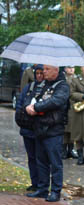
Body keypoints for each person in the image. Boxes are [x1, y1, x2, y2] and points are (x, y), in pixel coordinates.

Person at [25, 64, 69, 202]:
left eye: (47, 69)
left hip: (54, 129)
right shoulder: (42, 84)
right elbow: (30, 95)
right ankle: (42, 189)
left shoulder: (62, 86)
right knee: (41, 161)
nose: (44, 72)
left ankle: (55, 191)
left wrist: (36, 107)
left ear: (56, 70)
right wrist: (29, 106)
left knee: (55, 162)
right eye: (43, 69)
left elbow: (56, 101)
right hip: (40, 128)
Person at [15, 64, 45, 192]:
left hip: (40, 129)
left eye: (41, 73)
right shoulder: (28, 88)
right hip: (27, 128)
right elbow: (19, 104)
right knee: (31, 157)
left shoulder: (48, 88)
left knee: (41, 158)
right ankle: (34, 182)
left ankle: (42, 183)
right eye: (37, 73)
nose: (39, 76)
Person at [62, 65, 78, 160]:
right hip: (64, 106)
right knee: (64, 129)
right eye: (69, 67)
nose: (71, 69)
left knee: (73, 130)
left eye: (73, 67)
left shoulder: (77, 79)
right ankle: (63, 150)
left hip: (75, 107)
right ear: (65, 68)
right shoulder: (62, 78)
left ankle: (71, 149)